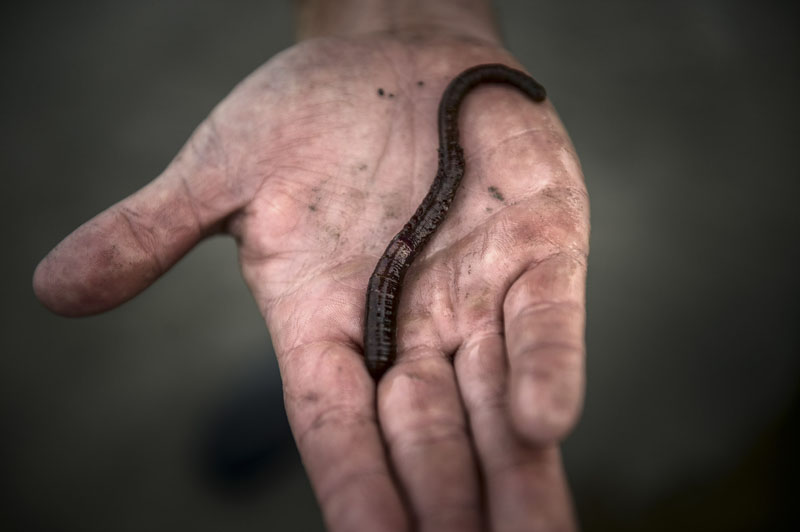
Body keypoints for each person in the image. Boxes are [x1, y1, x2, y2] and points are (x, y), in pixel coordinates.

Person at [33, 0, 590, 530]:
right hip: (356, 319)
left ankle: (339, 396)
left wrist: (419, 13)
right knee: (327, 335)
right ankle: (322, 398)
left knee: (364, 358)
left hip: (375, 330)